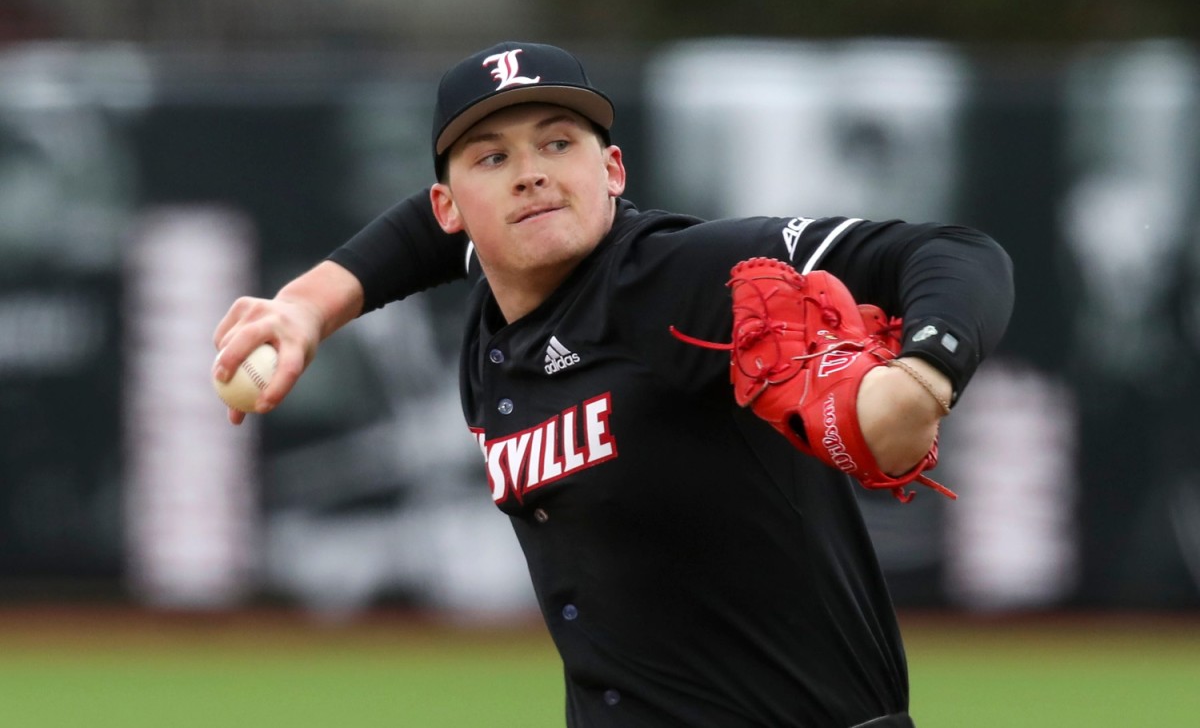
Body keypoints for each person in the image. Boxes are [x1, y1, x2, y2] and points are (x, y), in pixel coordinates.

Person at [213, 41, 1014, 728]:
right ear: (450, 208)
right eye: (494, 156)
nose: (530, 175)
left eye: (558, 143)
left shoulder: (683, 276)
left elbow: (958, 251)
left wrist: (923, 374)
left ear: (613, 168)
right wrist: (306, 307)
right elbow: (418, 236)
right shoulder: (501, 288)